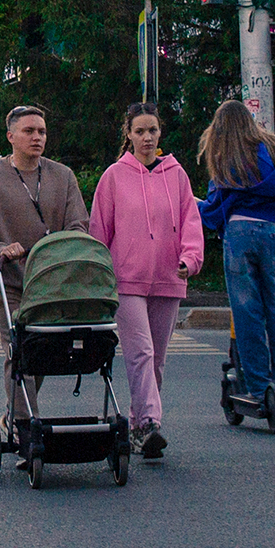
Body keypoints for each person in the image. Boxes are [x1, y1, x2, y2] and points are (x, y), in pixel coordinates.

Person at [0, 105, 91, 430]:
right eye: (29, 131)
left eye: (41, 132)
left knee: (43, 351)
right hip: (5, 280)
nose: (37, 137)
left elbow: (79, 224)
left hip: (51, 283)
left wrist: (65, 247)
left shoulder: (62, 177)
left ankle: (14, 412)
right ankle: (24, 425)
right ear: (11, 137)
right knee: (19, 349)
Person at [90, 103, 204, 458]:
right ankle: (150, 423)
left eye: (152, 130)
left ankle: (139, 423)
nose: (146, 137)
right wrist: (100, 274)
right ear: (128, 134)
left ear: (160, 133)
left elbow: (190, 221)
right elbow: (99, 230)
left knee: (157, 358)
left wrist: (190, 259)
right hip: (127, 280)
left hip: (169, 277)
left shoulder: (177, 174)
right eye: (139, 131)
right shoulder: (113, 176)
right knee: (140, 352)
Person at [197, 100, 275, 413]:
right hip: (273, 232)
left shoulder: (226, 154)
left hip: (239, 233)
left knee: (248, 312)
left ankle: (258, 386)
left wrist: (199, 208)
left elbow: (216, 206)